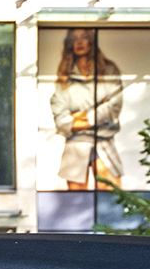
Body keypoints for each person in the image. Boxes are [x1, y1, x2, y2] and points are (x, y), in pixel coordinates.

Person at [49, 29, 122, 191]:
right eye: (75, 39)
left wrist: (82, 117)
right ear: (69, 44)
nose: (80, 42)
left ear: (92, 41)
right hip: (75, 145)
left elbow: (112, 108)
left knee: (110, 198)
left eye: (84, 37)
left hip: (104, 141)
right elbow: (62, 122)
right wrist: (97, 113)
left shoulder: (108, 71)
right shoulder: (65, 78)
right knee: (76, 202)